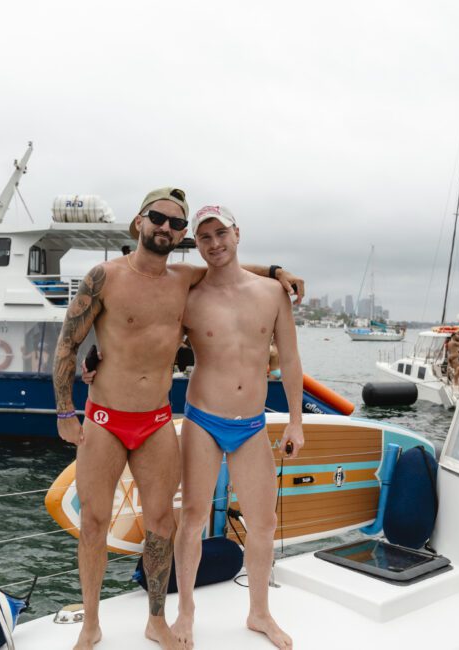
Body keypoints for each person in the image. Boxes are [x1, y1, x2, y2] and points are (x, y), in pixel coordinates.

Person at [53, 187, 304, 650]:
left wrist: (275, 271)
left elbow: (230, 273)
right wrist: (67, 407)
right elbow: (70, 342)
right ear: (140, 222)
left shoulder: (195, 281)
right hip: (121, 416)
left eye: (176, 223)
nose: (166, 228)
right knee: (99, 521)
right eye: (158, 219)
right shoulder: (113, 277)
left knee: (176, 525)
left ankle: (179, 618)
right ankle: (98, 623)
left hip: (171, 421)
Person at [172, 205, 304, 650]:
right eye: (204, 237)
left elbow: (289, 360)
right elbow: (150, 341)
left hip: (251, 422)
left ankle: (259, 612)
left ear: (237, 233)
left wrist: (296, 423)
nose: (214, 243)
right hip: (203, 418)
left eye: (221, 233)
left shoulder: (272, 293)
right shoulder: (189, 294)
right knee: (191, 519)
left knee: (263, 522)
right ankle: (185, 610)